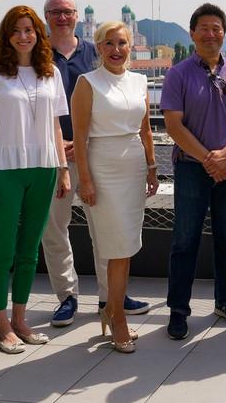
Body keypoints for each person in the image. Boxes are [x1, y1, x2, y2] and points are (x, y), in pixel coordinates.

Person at [39, 0, 149, 328]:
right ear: (47, 16)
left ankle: (110, 296)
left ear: (77, 16)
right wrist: (61, 146)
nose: (62, 17)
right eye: (55, 12)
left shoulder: (93, 52)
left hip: (96, 156)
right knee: (55, 229)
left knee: (106, 230)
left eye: (68, 11)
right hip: (54, 156)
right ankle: (67, 297)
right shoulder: (36, 56)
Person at [161, 3, 226, 340]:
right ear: (192, 34)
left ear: (224, 33)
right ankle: (178, 310)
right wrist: (209, 159)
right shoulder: (178, 74)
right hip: (192, 169)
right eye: (203, 27)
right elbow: (173, 126)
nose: (210, 33)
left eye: (216, 27)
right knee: (184, 242)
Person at [0, 5, 71, 354]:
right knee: (3, 249)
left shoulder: (51, 73)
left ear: (38, 34)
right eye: (16, 30)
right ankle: (1, 325)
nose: (23, 36)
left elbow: (57, 126)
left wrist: (62, 168)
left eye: (29, 29)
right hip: (4, 170)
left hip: (44, 168)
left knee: (30, 250)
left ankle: (20, 320)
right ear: (6, 35)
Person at [71, 21, 159, 353]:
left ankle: (112, 309)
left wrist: (152, 167)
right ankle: (117, 316)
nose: (117, 49)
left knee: (126, 245)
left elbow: (146, 129)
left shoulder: (139, 81)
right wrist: (86, 180)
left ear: (130, 46)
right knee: (115, 247)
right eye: (109, 43)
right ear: (98, 47)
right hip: (103, 167)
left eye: (122, 43)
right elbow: (79, 136)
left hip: (134, 167)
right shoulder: (87, 83)